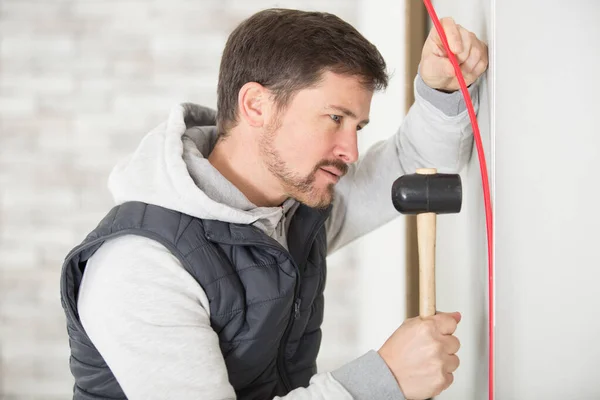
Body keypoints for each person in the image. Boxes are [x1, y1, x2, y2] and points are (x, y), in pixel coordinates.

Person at [60, 8, 488, 400]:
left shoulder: (293, 206)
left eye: (357, 126)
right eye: (336, 118)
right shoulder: (140, 267)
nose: (351, 151)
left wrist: (441, 87)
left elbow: (414, 167)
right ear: (256, 105)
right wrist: (383, 379)